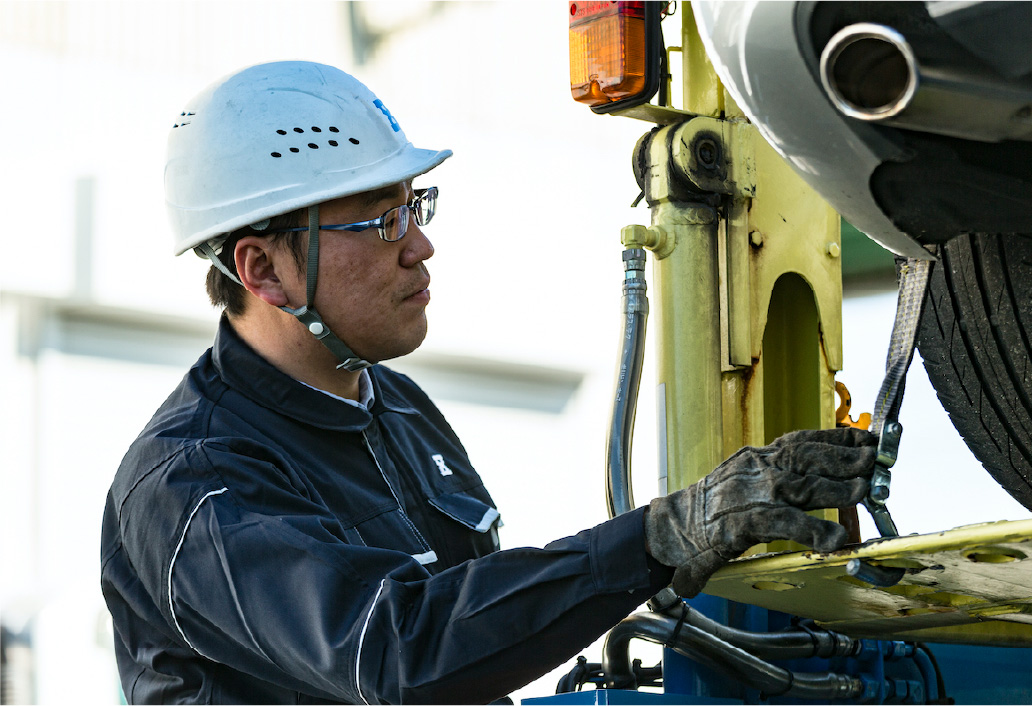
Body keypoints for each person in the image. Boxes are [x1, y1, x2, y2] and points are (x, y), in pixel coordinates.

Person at [100, 61, 877, 705]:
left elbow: (473, 634)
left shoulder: (396, 410)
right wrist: (657, 539)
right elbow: (399, 654)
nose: (420, 247)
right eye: (380, 222)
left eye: (413, 208)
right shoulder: (197, 483)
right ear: (260, 268)